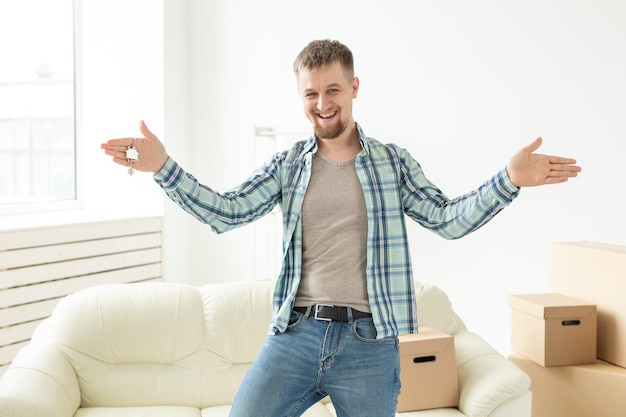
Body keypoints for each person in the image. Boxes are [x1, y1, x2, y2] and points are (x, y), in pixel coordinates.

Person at [101, 39, 581, 417]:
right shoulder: (288, 165)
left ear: (354, 88)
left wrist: (508, 181)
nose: (322, 103)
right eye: (310, 93)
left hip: (370, 345)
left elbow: (447, 220)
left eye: (332, 89)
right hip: (295, 335)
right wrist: (164, 167)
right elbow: (228, 213)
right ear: (301, 98)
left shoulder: (392, 163)